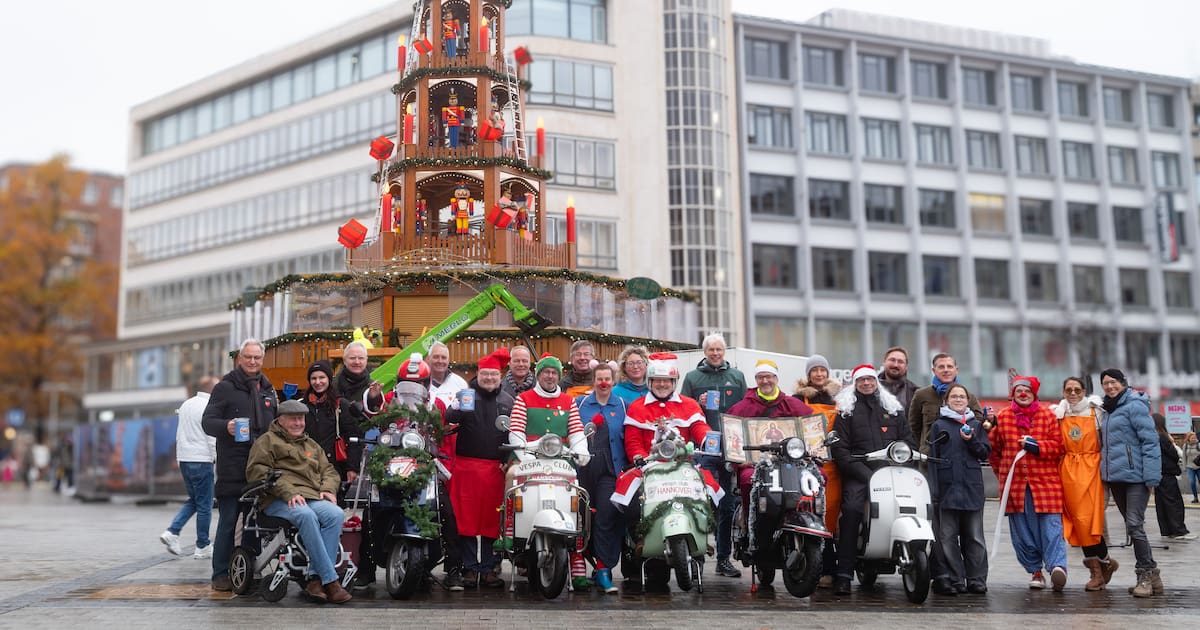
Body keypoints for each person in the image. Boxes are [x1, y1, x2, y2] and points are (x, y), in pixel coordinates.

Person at [246, 399, 352, 604]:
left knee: (336, 514)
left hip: (311, 496)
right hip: (278, 499)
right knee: (306, 515)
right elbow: (257, 472)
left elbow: (329, 471)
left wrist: (328, 489)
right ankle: (330, 581)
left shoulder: (310, 444)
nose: (298, 423)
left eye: (301, 419)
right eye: (293, 419)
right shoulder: (267, 441)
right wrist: (289, 491)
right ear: (281, 420)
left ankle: (315, 579)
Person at [505, 353, 590, 586]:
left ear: (559, 376)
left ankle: (576, 555)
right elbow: (516, 430)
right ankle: (511, 526)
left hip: (560, 459)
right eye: (546, 372)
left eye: (554, 372)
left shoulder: (568, 401)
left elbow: (576, 430)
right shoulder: (524, 399)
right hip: (529, 456)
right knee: (513, 476)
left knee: (576, 494)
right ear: (539, 374)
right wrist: (523, 454)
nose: (550, 376)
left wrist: (581, 450)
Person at [201, 338, 278, 592]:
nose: (252, 361)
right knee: (228, 521)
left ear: (262, 360)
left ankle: (247, 571)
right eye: (248, 357)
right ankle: (220, 573)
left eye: (257, 357)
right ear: (239, 358)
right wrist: (227, 426)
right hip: (233, 468)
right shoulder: (225, 387)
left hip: (260, 468)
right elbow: (207, 422)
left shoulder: (267, 389)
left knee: (254, 523)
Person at [829, 364, 913, 595]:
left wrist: (903, 461)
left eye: (870, 380)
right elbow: (840, 451)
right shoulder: (846, 412)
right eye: (861, 381)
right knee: (853, 510)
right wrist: (867, 474)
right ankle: (844, 574)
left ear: (876, 382)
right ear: (855, 384)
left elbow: (908, 442)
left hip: (892, 473)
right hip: (859, 474)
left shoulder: (893, 409)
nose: (866, 384)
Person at [907, 353, 983, 595]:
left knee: (970, 531)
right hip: (933, 469)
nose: (946, 369)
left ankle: (973, 578)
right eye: (941, 366)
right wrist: (923, 451)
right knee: (941, 530)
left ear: (956, 368)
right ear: (934, 369)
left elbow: (980, 422)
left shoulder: (967, 395)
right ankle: (946, 576)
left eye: (950, 366)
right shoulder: (922, 395)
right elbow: (913, 428)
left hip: (966, 471)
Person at [727, 359, 813, 560]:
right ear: (756, 379)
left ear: (776, 378)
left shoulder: (793, 404)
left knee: (818, 480)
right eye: (760, 377)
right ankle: (751, 524)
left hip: (791, 464)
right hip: (756, 464)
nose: (765, 381)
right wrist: (739, 460)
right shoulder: (742, 407)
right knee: (748, 479)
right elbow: (733, 436)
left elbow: (810, 429)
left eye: (769, 376)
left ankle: (808, 524)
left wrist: (812, 453)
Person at [988, 375, 1067, 592]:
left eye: (1027, 390)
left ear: (1034, 394)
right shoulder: (1003, 417)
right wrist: (1003, 474)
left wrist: (1037, 446)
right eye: (1019, 390)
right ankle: (1036, 571)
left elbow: (1058, 448)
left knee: (1051, 527)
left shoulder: (1048, 416)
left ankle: (1057, 566)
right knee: (1023, 531)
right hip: (1015, 488)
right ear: (1012, 394)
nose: (1023, 394)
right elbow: (993, 451)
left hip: (1046, 485)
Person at [678, 333, 747, 579]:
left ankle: (723, 559)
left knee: (727, 504)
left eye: (719, 349)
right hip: (702, 448)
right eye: (711, 350)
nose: (715, 353)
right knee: (699, 502)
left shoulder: (737, 377)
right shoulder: (693, 377)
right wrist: (698, 401)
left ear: (724, 351)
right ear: (704, 352)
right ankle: (694, 557)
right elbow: (682, 408)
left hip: (729, 448)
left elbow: (745, 409)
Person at [445, 349, 513, 589]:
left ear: (500, 375)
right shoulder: (466, 394)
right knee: (466, 519)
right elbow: (450, 417)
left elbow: (513, 434)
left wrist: (508, 456)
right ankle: (469, 568)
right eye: (485, 374)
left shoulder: (508, 400)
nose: (490, 378)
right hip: (466, 467)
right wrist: (460, 407)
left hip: (495, 469)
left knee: (491, 520)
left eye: (494, 374)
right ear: (478, 374)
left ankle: (488, 569)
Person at [1098, 368, 1163, 597]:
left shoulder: (1134, 405)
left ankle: (1144, 574)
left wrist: (1152, 477)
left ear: (1123, 383)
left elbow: (1150, 442)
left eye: (1113, 382)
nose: (1109, 386)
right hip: (1116, 478)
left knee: (1135, 525)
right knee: (1132, 526)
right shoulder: (1107, 410)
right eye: (1105, 383)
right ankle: (1154, 576)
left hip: (1136, 477)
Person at [1051, 376, 1119, 590]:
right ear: (1063, 391)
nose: (1073, 393)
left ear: (1084, 391)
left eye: (1077, 390)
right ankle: (1100, 568)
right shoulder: (1057, 414)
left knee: (1089, 521)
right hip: (1067, 471)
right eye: (1069, 389)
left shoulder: (1096, 412)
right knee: (1076, 522)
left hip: (1092, 470)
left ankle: (1103, 564)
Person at [928, 383, 991, 595]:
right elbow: (933, 459)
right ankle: (956, 579)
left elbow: (984, 453)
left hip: (971, 488)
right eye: (953, 396)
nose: (958, 400)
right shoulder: (939, 425)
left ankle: (976, 579)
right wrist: (933, 489)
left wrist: (971, 439)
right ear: (946, 401)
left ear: (967, 400)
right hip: (947, 490)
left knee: (974, 537)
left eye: (962, 396)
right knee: (947, 537)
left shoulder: (977, 424)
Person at [574, 362, 627, 594]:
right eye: (599, 379)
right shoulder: (580, 404)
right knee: (581, 519)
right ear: (593, 381)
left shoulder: (623, 405)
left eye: (607, 379)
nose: (603, 383)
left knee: (607, 515)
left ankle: (605, 571)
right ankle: (582, 568)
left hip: (610, 470)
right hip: (584, 469)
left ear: (613, 381)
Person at [794, 354, 841, 587]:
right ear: (808, 374)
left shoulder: (839, 398)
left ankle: (831, 567)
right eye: (815, 371)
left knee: (830, 515)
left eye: (823, 370)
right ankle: (809, 563)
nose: (819, 374)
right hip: (805, 464)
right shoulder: (798, 398)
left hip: (832, 466)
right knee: (809, 512)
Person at [160, 375, 219, 559]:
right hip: (202, 459)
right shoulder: (210, 406)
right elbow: (211, 436)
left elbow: (180, 433)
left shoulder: (187, 404)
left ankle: (172, 532)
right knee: (205, 504)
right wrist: (216, 459)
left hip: (185, 458)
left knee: (194, 500)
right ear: (212, 389)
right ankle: (202, 546)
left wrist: (179, 459)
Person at [301, 360, 363, 487]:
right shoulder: (302, 406)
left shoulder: (341, 405)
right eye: (313, 378)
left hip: (335, 467)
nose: (318, 382)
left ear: (329, 379)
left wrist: (352, 467)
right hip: (308, 466)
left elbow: (353, 437)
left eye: (322, 377)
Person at [1152, 413, 1193, 540]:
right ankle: (1178, 530)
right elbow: (1174, 454)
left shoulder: (1152, 436)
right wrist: (1172, 443)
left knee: (1162, 503)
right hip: (1167, 472)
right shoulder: (1163, 436)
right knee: (1174, 502)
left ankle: (1166, 530)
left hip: (1157, 473)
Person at [427, 342, 470, 411]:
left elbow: (467, 413)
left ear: (448, 360)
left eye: (444, 358)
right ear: (428, 359)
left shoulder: (461, 384)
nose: (440, 361)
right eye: (436, 357)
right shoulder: (420, 382)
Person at [877, 346, 919, 413]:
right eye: (892, 360)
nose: (895, 365)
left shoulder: (915, 393)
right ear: (884, 362)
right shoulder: (871, 389)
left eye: (900, 362)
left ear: (906, 366)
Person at [1183, 431, 1200, 504]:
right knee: (1192, 482)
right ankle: (1195, 497)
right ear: (1188, 438)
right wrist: (1184, 467)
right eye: (1192, 438)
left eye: (1194, 437)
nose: (1194, 439)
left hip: (1199, 467)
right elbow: (1184, 457)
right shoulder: (1185, 446)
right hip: (1190, 466)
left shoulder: (1198, 445)